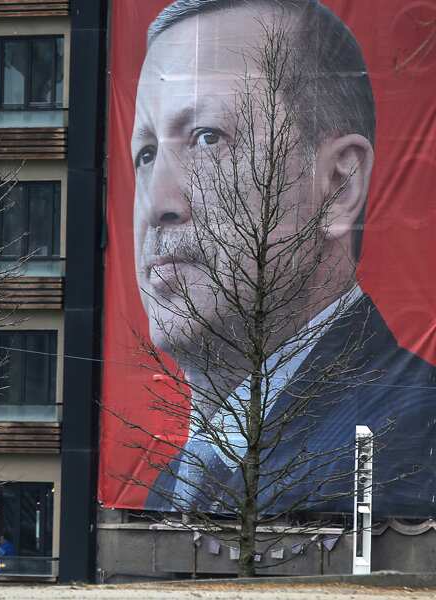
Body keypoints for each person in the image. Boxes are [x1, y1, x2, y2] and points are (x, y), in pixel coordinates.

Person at [131, 0, 436, 516]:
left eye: (207, 138)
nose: (157, 204)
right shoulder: (172, 484)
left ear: (338, 185)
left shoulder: (411, 443)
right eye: (146, 153)